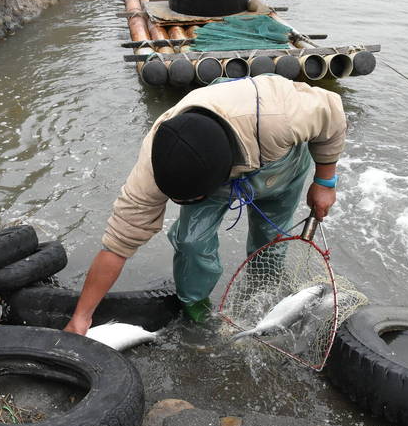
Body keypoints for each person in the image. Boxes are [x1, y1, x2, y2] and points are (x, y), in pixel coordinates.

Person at [64, 74, 347, 335]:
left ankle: (265, 296)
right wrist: (81, 316)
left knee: (270, 241)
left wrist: (325, 181)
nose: (184, 204)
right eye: (179, 200)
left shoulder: (283, 116)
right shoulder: (155, 163)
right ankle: (196, 307)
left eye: (191, 198)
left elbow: (332, 115)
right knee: (191, 242)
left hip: (277, 160)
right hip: (208, 164)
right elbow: (117, 244)